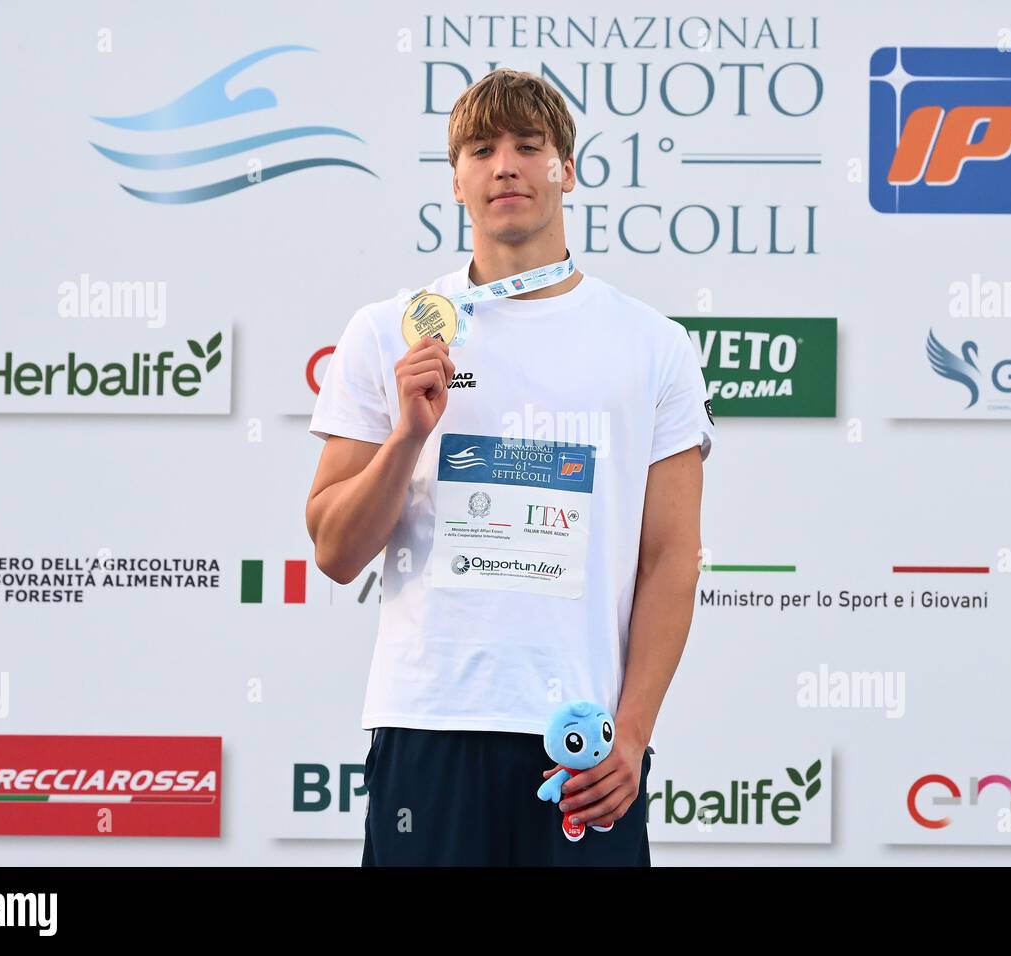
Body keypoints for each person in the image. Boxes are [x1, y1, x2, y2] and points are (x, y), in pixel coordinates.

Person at [306, 68, 715, 866]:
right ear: (455, 177)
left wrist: (630, 736)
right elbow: (334, 549)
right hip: (431, 726)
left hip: (585, 745)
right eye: (481, 149)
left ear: (567, 170)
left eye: (530, 146)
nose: (506, 166)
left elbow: (671, 557)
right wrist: (407, 439)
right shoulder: (389, 330)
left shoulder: (653, 344)